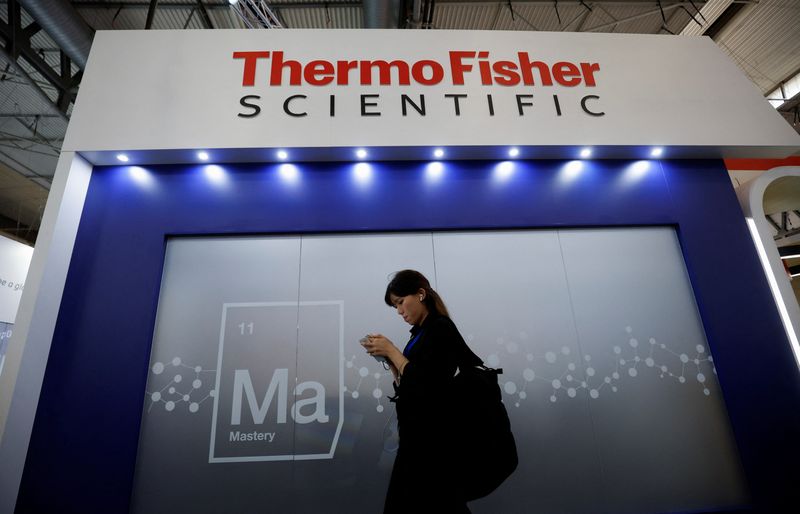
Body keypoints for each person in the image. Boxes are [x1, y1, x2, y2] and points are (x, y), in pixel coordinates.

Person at [361, 270, 481, 514]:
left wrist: (393, 350)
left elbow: (429, 384)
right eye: (395, 306)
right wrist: (391, 361)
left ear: (421, 294)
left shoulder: (441, 328)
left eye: (400, 302)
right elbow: (410, 386)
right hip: (416, 439)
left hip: (432, 442)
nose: (399, 311)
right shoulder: (419, 335)